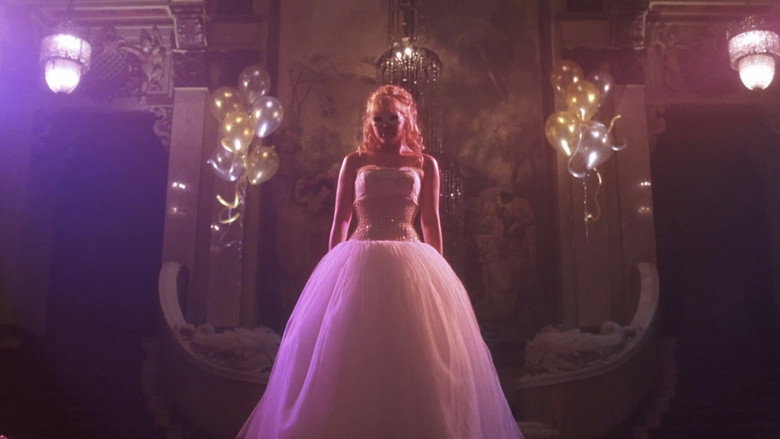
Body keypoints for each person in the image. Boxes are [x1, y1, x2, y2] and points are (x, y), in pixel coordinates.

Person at [237, 85, 523, 439]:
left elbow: (430, 221)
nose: (385, 125)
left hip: (410, 259)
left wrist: (439, 274)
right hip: (359, 257)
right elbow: (342, 219)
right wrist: (333, 269)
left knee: (414, 354)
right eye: (378, 119)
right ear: (369, 122)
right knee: (348, 352)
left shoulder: (424, 164)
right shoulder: (354, 161)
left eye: (392, 118)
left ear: (407, 120)